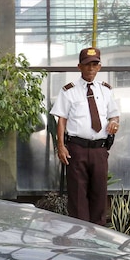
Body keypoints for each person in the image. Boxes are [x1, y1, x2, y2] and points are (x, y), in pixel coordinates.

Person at [51, 47, 120, 226]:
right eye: (87, 64)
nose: (91, 68)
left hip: (99, 149)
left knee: (99, 192)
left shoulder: (106, 90)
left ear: (99, 67)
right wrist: (60, 145)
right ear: (79, 67)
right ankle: (79, 234)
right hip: (77, 149)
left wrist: (114, 122)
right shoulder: (69, 91)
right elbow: (62, 119)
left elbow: (114, 114)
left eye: (95, 64)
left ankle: (98, 234)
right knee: (78, 194)